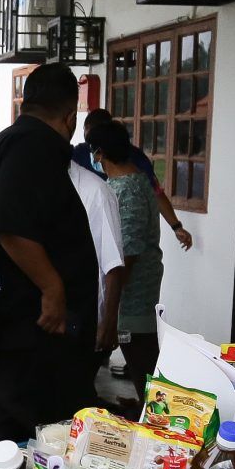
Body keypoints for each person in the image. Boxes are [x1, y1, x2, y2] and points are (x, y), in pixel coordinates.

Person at [0, 62, 103, 444]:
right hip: (31, 334)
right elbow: (10, 223)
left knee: (11, 433)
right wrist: (53, 288)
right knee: (45, 439)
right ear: (70, 115)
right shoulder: (35, 145)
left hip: (3, 329)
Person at [86, 119, 164, 389]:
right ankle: (142, 408)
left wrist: (111, 310)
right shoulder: (135, 180)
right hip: (132, 290)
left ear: (99, 153)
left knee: (143, 364)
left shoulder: (125, 189)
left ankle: (153, 417)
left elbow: (126, 256)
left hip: (132, 294)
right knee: (139, 362)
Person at [68, 118, 129, 393]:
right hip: (58, 319)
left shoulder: (97, 192)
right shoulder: (35, 186)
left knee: (77, 392)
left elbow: (114, 265)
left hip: (88, 318)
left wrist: (108, 324)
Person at [84, 106, 193, 251]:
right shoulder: (82, 153)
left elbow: (129, 251)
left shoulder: (129, 187)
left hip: (131, 268)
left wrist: (176, 226)